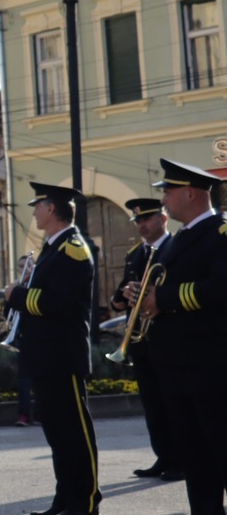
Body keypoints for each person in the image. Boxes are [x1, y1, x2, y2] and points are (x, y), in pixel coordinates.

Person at [129, 160, 226, 515]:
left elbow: (220, 287)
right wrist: (141, 295)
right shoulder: (176, 239)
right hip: (176, 360)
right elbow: (165, 283)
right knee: (193, 448)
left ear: (191, 194)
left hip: (211, 359)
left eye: (168, 191)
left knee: (220, 443)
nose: (163, 198)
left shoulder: (220, 232)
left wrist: (162, 300)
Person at [6, 181, 101, 515]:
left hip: (63, 355)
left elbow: (56, 304)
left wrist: (16, 295)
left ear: (51, 209)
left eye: (37, 205)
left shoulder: (73, 249)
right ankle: (65, 497)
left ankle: (87, 500)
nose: (33, 211)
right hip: (45, 355)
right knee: (58, 434)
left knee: (75, 432)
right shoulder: (52, 248)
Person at [111, 196, 181, 480]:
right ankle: (163, 457)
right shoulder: (135, 255)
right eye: (138, 220)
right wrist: (125, 294)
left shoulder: (176, 249)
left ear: (163, 219)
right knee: (152, 404)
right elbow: (116, 300)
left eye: (147, 219)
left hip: (168, 336)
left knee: (173, 403)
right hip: (141, 340)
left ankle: (181, 460)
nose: (141, 224)